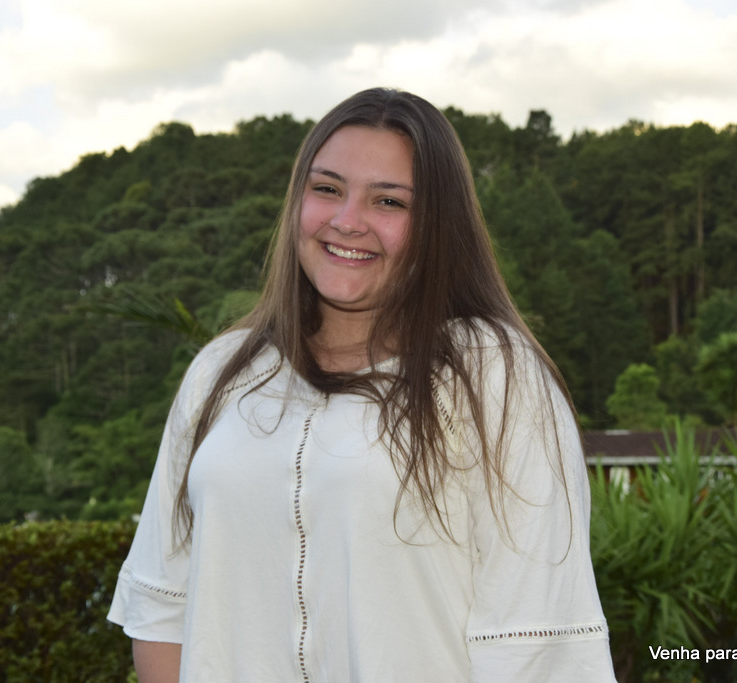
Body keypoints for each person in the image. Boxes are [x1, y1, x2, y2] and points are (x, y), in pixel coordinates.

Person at [107, 87, 617, 682]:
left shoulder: (493, 374)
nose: (347, 221)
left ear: (437, 227)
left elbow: (538, 641)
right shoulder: (222, 372)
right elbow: (162, 608)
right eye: (327, 189)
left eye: (389, 201)